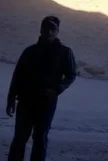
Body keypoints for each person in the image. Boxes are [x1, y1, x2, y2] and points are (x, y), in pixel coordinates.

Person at [6, 16, 77, 161]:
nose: (49, 32)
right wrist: (11, 98)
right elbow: (18, 76)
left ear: (57, 31)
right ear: (41, 29)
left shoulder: (65, 52)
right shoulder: (29, 51)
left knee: (40, 137)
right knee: (20, 137)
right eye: (46, 28)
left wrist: (57, 89)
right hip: (26, 100)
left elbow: (71, 75)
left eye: (53, 29)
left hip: (46, 101)